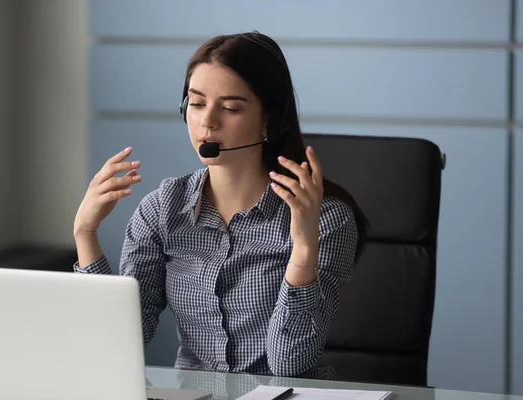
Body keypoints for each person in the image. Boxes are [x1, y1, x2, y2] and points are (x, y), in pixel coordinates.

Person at [72, 31, 367, 378]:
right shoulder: (161, 211)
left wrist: (303, 248)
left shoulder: (326, 219)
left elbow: (290, 364)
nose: (207, 121)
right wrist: (85, 232)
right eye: (197, 104)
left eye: (229, 108)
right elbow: (116, 346)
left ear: (270, 119)